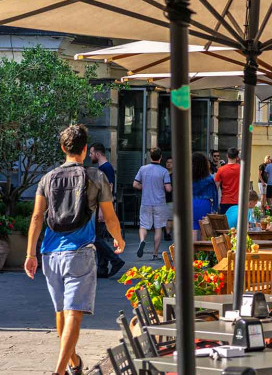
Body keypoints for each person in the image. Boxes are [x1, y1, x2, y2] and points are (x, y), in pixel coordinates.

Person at [24, 124, 125, 375]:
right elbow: (109, 216)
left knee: (61, 312)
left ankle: (74, 363)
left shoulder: (47, 178)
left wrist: (30, 254)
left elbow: (37, 217)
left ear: (62, 148)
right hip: (79, 252)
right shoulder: (96, 177)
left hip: (49, 253)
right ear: (85, 149)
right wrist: (119, 239)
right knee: (74, 314)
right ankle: (60, 371)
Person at [88, 142, 124, 279]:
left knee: (95, 237)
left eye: (91, 153)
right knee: (98, 236)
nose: (90, 155)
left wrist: (103, 211)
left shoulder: (105, 168)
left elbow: (107, 189)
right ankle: (102, 268)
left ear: (97, 153)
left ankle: (115, 260)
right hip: (101, 207)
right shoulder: (104, 168)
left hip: (102, 207)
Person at [133, 148, 172, 259]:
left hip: (146, 202)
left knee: (143, 226)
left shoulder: (143, 169)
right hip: (160, 203)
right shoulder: (164, 171)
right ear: (160, 157)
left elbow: (135, 184)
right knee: (158, 228)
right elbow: (168, 188)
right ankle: (155, 253)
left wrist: (143, 187)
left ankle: (142, 241)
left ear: (150, 157)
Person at [191, 152, 218, 241]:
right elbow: (215, 194)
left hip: (191, 203)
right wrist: (215, 209)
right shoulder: (209, 178)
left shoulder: (188, 177)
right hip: (205, 203)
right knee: (204, 228)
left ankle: (192, 252)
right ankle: (203, 253)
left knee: (193, 228)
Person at [214, 147, 241, 214]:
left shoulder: (221, 170)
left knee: (224, 223)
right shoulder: (242, 168)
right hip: (238, 201)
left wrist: (215, 204)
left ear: (227, 156)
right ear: (237, 157)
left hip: (225, 201)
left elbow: (215, 188)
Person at [163, 156, 174, 242]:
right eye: (167, 162)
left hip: (171, 199)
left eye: (170, 162)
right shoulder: (163, 173)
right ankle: (166, 232)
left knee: (169, 218)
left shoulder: (175, 175)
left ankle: (167, 233)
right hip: (162, 199)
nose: (168, 164)